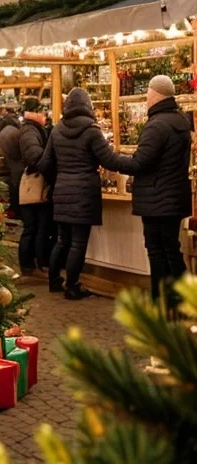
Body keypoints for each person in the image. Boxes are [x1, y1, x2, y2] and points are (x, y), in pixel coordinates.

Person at [110, 75, 194, 303]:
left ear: (155, 94)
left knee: (158, 251)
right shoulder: (180, 121)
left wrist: (110, 159)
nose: (146, 98)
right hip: (173, 196)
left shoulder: (157, 125)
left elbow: (139, 163)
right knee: (170, 249)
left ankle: (165, 299)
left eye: (147, 93)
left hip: (157, 198)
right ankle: (179, 299)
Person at [37, 87, 126, 300]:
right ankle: (73, 286)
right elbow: (110, 161)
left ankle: (54, 280)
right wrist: (136, 164)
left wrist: (59, 178)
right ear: (87, 106)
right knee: (78, 242)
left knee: (62, 240)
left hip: (62, 190)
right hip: (84, 191)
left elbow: (45, 162)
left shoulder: (57, 129)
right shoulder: (91, 131)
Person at [16, 101, 52, 277]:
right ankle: (35, 265)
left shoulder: (30, 129)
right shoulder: (30, 130)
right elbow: (33, 156)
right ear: (36, 112)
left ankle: (29, 264)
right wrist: (49, 164)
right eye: (43, 113)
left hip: (30, 186)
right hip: (34, 186)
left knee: (33, 228)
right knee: (36, 228)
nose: (46, 117)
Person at [0, 107, 23, 214]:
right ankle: (17, 209)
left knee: (13, 181)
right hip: (15, 159)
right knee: (16, 180)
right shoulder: (15, 127)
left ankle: (14, 208)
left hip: (10, 157)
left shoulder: (5, 127)